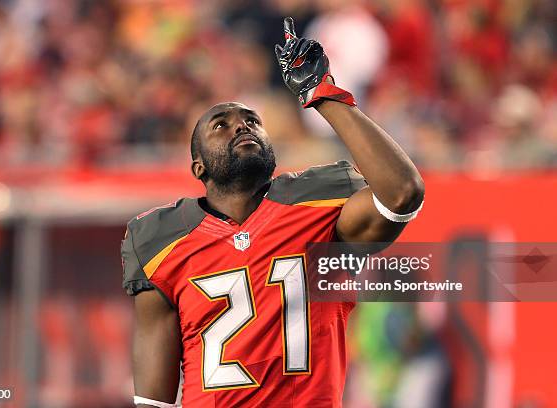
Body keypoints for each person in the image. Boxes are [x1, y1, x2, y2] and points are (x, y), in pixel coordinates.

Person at [121, 17, 424, 408]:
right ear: (198, 166)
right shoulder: (159, 241)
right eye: (221, 124)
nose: (241, 126)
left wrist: (323, 94)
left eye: (252, 121)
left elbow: (402, 192)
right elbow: (153, 401)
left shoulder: (318, 207)